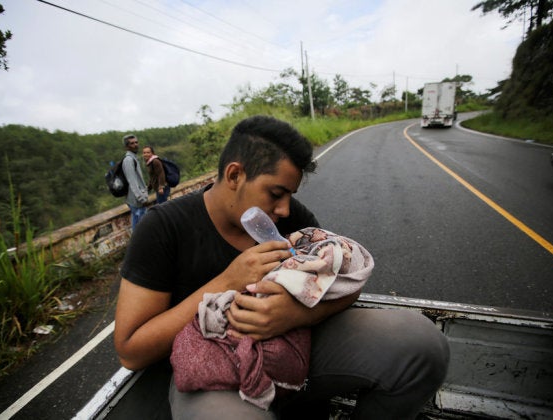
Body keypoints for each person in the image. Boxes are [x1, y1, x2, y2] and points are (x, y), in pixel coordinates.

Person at [114, 115, 450, 419]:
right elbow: (131, 350)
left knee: (421, 345)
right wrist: (227, 281)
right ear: (235, 175)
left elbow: (346, 282)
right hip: (215, 372)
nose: (286, 209)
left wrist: (298, 315)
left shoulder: (290, 219)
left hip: (296, 348)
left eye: (290, 194)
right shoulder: (164, 228)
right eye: (276, 193)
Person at [121, 134, 148, 230]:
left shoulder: (133, 158)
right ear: (127, 146)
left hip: (136, 199)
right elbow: (132, 182)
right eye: (132, 143)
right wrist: (142, 198)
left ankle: (137, 244)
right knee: (142, 228)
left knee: (137, 228)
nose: (136, 145)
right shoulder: (128, 160)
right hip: (136, 200)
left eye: (136, 142)